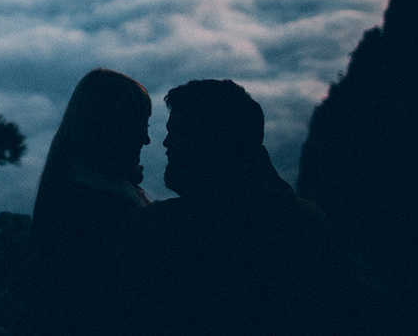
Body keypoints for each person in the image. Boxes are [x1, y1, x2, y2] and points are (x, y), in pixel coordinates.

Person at [96, 79, 377, 335]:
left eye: (178, 133)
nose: (166, 143)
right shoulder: (310, 225)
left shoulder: (156, 236)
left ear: (208, 144)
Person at [20, 68, 152, 335]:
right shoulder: (106, 212)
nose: (146, 139)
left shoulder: (69, 189)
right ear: (109, 130)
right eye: (137, 125)